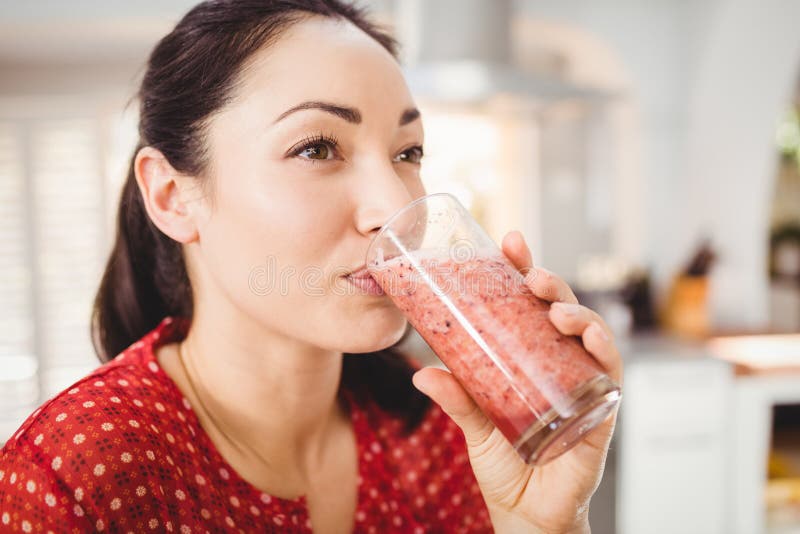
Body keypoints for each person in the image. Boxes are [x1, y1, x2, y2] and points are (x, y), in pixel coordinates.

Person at [0, 1, 623, 532]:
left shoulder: (442, 435)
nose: (398, 206)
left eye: (408, 151)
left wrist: (545, 525)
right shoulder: (79, 479)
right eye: (316, 147)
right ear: (171, 196)